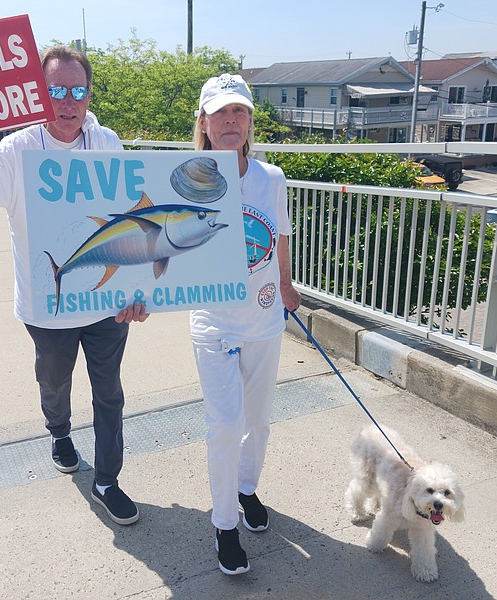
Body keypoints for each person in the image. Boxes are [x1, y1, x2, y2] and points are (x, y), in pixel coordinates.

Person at [0, 45, 147, 526]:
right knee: (54, 380)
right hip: (47, 308)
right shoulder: (15, 150)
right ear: (37, 93)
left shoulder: (107, 142)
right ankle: (59, 431)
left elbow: (132, 220)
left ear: (88, 94)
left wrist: (138, 288)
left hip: (107, 306)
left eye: (77, 91)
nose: (67, 102)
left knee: (110, 392)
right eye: (55, 90)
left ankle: (107, 479)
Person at [190, 73, 301, 575]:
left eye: (239, 112)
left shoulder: (271, 178)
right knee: (225, 424)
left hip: (262, 317)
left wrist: (287, 284)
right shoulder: (188, 176)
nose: (230, 121)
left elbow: (279, 237)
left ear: (250, 122)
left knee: (258, 420)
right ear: (205, 123)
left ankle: (247, 487)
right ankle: (224, 523)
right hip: (213, 322)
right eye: (220, 113)